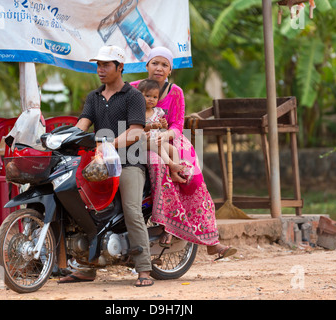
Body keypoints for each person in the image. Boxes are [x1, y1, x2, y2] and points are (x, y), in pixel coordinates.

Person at [58, 45, 153, 287]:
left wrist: (110, 143)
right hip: (100, 165)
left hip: (129, 163)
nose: (100, 69)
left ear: (120, 67)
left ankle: (143, 269)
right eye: (98, 65)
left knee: (131, 209)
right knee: (80, 207)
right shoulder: (94, 97)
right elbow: (82, 125)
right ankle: (87, 266)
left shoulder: (133, 97)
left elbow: (136, 132)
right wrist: (59, 139)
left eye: (106, 65)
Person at [131, 47, 236, 258]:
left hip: (171, 139)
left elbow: (178, 123)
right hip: (142, 140)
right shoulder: (132, 89)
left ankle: (211, 241)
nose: (159, 68)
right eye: (155, 63)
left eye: (164, 65)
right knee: (160, 166)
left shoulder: (176, 92)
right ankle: (167, 227)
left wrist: (167, 134)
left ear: (170, 70)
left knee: (193, 179)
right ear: (147, 65)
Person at [137, 79, 187, 184]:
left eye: (155, 97)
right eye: (148, 96)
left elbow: (164, 128)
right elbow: (137, 127)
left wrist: (164, 125)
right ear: (139, 96)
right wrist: (150, 127)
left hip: (157, 140)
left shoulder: (158, 112)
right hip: (143, 142)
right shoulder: (139, 112)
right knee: (156, 144)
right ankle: (171, 164)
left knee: (173, 149)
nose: (151, 99)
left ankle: (174, 174)